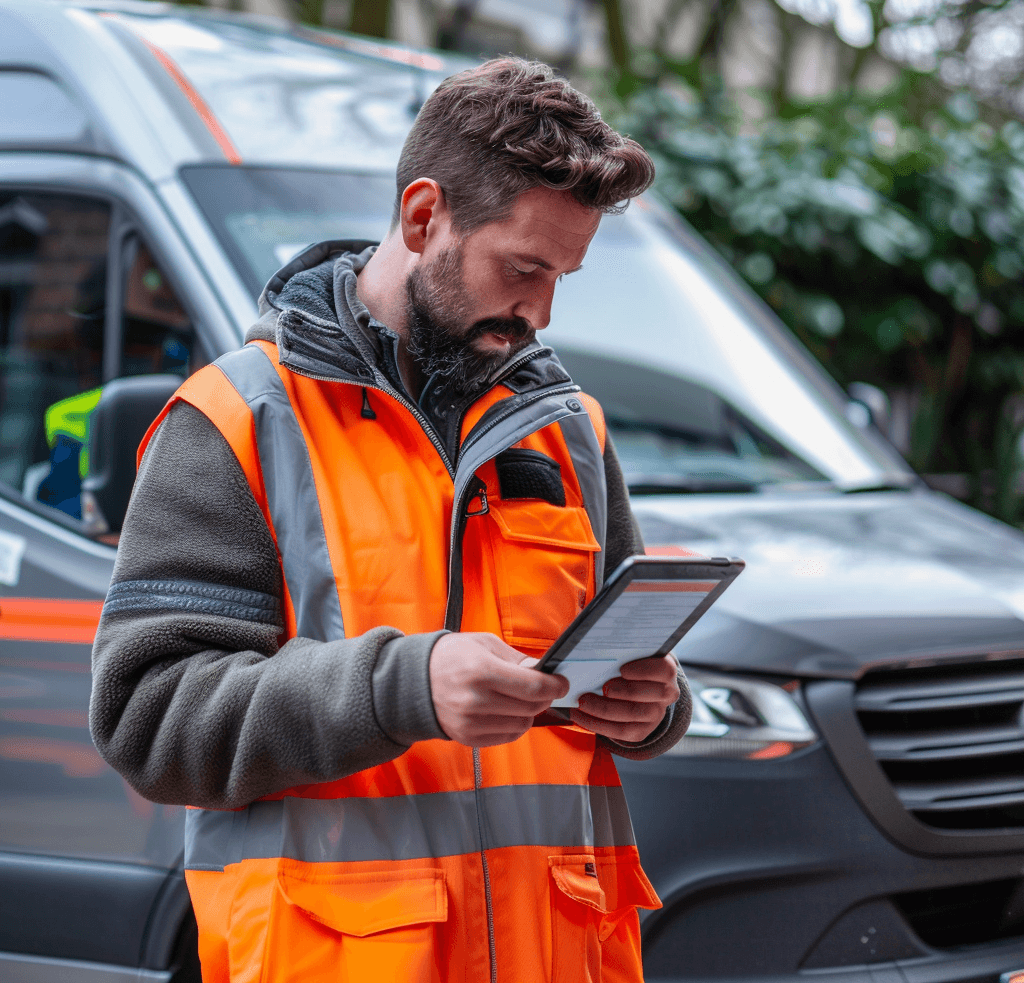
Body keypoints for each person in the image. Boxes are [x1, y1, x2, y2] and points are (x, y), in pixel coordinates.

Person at [90, 57, 692, 983]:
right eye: (523, 267)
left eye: (562, 276)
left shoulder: (570, 428)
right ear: (422, 217)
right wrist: (401, 686)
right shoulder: (235, 419)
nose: (539, 311)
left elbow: (616, 663)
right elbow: (148, 719)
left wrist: (652, 710)